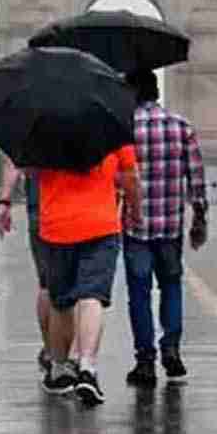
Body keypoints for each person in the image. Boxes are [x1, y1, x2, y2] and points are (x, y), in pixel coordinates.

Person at [36, 135, 140, 407]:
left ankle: (60, 371)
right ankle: (87, 368)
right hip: (100, 225)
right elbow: (130, 175)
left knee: (61, 302)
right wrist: (135, 209)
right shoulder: (110, 124)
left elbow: (28, 169)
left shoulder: (45, 125)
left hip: (56, 226)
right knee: (92, 297)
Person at [121, 70, 208, 388]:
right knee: (171, 287)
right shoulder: (182, 127)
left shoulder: (125, 129)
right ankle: (171, 348)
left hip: (135, 227)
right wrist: (199, 219)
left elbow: (118, 178)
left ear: (133, 94)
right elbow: (196, 178)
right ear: (157, 92)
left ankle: (145, 361)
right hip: (171, 226)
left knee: (139, 294)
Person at [0, 157, 53, 374]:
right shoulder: (89, 122)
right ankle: (79, 356)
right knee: (79, 289)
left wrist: (4, 202)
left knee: (47, 286)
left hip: (42, 209)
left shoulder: (28, 123)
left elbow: (12, 161)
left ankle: (51, 351)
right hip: (83, 209)